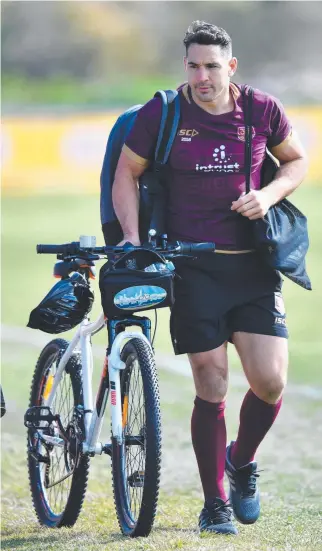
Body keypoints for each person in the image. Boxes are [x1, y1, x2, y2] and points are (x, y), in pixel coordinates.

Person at [111, 21, 308, 535]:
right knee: (211, 381)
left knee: (270, 382)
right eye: (194, 66)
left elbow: (296, 162)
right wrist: (132, 239)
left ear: (231, 66)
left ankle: (239, 463)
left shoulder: (263, 109)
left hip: (253, 266)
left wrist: (268, 195)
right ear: (186, 66)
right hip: (192, 266)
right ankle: (214, 503)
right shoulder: (164, 112)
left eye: (212, 66)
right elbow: (127, 173)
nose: (202, 76)